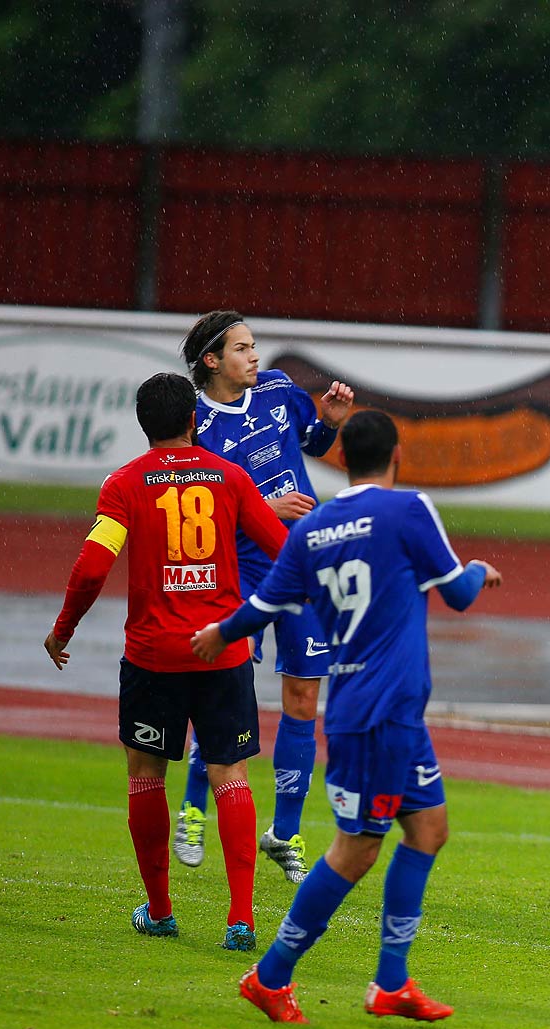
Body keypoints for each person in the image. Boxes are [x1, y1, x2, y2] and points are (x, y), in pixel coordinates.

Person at [192, 409, 502, 1024]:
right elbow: (460, 595)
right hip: (378, 715)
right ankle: (270, 975)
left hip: (380, 709)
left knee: (429, 829)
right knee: (357, 848)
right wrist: (477, 570)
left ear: (342, 459)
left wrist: (218, 633)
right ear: (395, 457)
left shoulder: (313, 527)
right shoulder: (408, 507)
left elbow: (263, 604)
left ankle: (391, 983)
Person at [45, 372, 288, 950]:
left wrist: (63, 630)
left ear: (143, 424)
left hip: (154, 657)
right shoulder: (230, 477)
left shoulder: (124, 483)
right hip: (223, 651)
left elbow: (93, 567)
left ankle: (159, 911)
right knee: (230, 774)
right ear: (193, 421)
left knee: (146, 774)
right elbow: (283, 548)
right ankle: (241, 919)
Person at [172, 310, 355, 886]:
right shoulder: (193, 424)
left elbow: (314, 442)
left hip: (300, 569)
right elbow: (189, 509)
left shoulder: (277, 391)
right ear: (212, 361)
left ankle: (286, 831)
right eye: (243, 349)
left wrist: (329, 421)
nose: (255, 357)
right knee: (226, 695)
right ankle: (195, 810)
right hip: (237, 572)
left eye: (254, 347)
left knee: (303, 698)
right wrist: (258, 511)